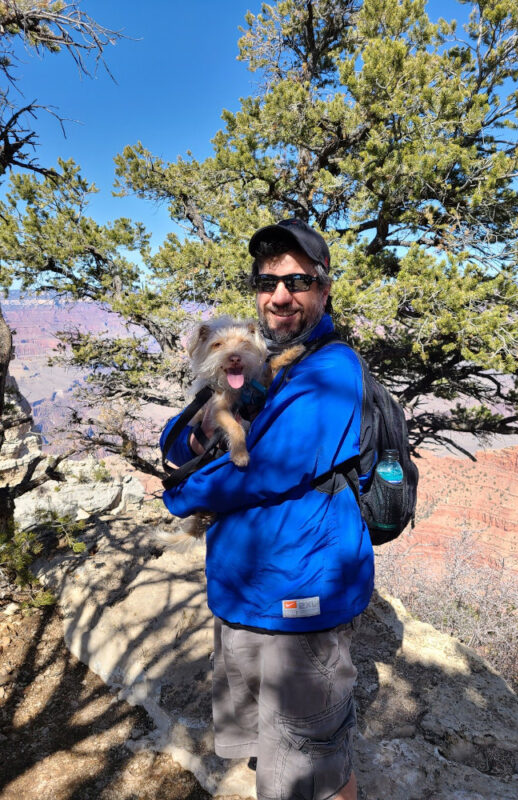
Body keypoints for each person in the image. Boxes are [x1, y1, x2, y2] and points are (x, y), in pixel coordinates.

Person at [161, 218, 374, 800]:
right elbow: (176, 439)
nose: (280, 295)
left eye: (298, 281)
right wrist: (197, 445)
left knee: (314, 770)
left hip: (301, 601)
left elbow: (267, 471)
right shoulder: (255, 362)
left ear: (323, 290)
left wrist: (178, 492)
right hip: (242, 593)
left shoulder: (330, 370)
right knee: (265, 748)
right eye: (268, 281)